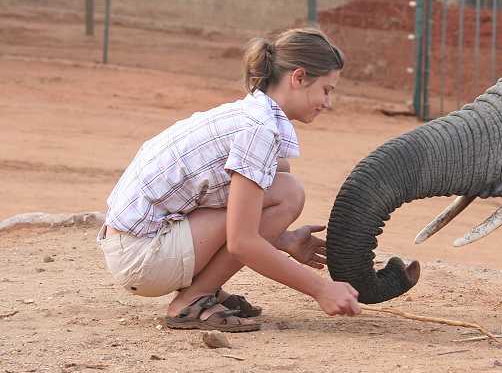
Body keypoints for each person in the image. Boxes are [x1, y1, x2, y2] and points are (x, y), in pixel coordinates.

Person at [95, 28, 361, 332]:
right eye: (327, 90)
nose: (328, 103)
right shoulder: (258, 130)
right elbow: (241, 242)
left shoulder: (249, 115)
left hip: (134, 246)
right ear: (298, 77)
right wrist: (322, 289)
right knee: (288, 193)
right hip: (141, 258)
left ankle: (200, 291)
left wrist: (284, 240)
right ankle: (193, 300)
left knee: (281, 177)